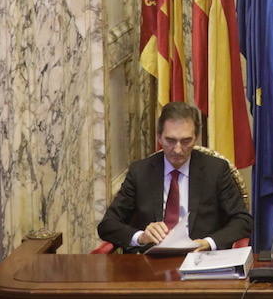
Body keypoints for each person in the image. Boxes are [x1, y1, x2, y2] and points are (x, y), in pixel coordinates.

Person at [97, 101, 251, 251]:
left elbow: (242, 221)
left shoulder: (215, 170)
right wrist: (141, 237)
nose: (177, 150)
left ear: (196, 137)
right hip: (150, 265)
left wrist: (208, 243)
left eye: (186, 141)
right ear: (159, 137)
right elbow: (107, 225)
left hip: (200, 262)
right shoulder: (140, 172)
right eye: (170, 140)